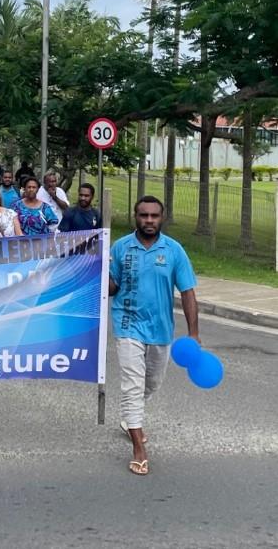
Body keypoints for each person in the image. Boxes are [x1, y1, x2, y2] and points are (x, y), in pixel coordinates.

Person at [109, 196, 199, 476]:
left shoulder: (173, 251)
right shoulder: (121, 247)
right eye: (143, 215)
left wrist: (194, 333)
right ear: (135, 216)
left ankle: (129, 417)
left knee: (153, 383)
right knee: (132, 385)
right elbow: (112, 287)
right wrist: (98, 268)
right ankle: (139, 447)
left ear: (162, 218)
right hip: (127, 324)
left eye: (154, 216)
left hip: (160, 330)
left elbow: (187, 292)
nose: (149, 220)